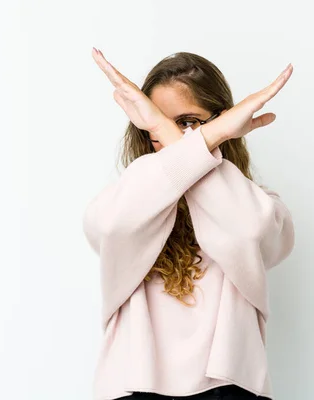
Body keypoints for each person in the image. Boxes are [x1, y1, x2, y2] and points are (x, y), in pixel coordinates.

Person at [83, 48, 295, 400]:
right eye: (157, 123)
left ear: (222, 120)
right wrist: (202, 138)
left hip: (228, 386)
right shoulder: (128, 194)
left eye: (187, 122)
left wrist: (188, 143)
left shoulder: (257, 203)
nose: (171, 137)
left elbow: (251, 232)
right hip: (134, 385)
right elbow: (108, 229)